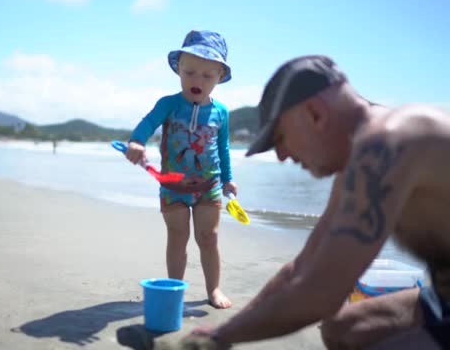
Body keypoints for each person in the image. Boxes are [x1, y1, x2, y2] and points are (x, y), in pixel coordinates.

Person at [186, 55, 450, 349]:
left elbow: (322, 293)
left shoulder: (387, 144)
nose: (283, 155)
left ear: (315, 114)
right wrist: (220, 333)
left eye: (281, 137)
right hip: (440, 299)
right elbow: (301, 270)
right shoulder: (359, 162)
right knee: (344, 329)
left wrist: (218, 339)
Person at [125, 30, 238, 309]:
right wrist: (137, 142)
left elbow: (222, 148)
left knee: (208, 238)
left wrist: (228, 180)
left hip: (208, 188)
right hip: (172, 187)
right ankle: (174, 290)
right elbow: (148, 123)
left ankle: (214, 289)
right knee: (178, 237)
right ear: (178, 69)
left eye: (207, 76)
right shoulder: (169, 104)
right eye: (190, 72)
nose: (197, 80)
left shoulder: (221, 112)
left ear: (220, 77)